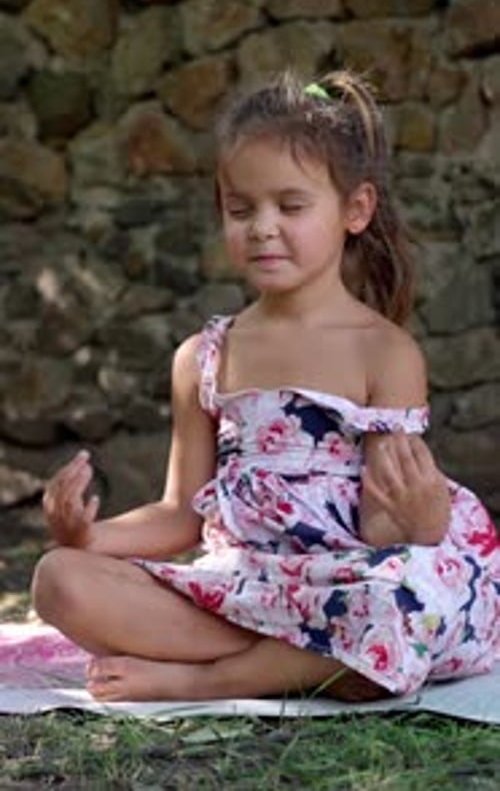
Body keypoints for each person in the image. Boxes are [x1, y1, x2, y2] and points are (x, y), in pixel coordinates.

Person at [32, 69, 499, 703]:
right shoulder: (202, 358)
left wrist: (420, 520)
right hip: (247, 587)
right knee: (58, 580)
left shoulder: (384, 352)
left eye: (292, 206)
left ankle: (201, 680)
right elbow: (178, 515)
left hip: (347, 579)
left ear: (354, 211)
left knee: (401, 601)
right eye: (241, 209)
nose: (262, 227)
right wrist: (87, 536)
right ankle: (294, 662)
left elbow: (383, 526)